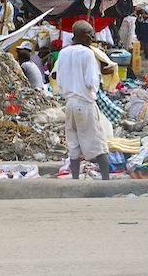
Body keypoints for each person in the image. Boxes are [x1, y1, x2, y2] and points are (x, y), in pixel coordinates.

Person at [53, 20, 110, 180]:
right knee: (98, 143)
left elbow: (61, 81)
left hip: (69, 104)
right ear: (84, 36)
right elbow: (91, 82)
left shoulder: (64, 53)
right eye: (90, 35)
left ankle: (75, 180)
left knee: (73, 144)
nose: (92, 38)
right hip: (85, 103)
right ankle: (107, 181)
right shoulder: (87, 53)